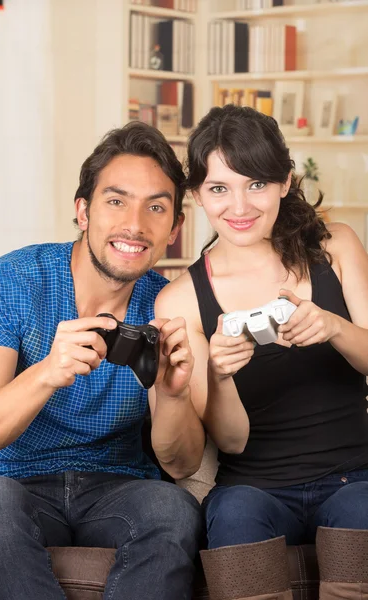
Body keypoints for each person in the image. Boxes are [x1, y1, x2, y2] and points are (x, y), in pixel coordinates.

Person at [0, 121, 205, 600]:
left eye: (156, 208)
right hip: (11, 481)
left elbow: (181, 464)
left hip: (116, 486)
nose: (135, 225)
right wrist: (46, 374)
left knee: (174, 508)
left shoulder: (170, 306)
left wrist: (174, 395)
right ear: (83, 211)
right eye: (116, 201)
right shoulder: (11, 282)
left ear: (175, 228)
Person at [155, 104, 368, 600]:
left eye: (256, 184)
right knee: (233, 516)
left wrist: (333, 326)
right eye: (219, 189)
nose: (240, 206)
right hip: (252, 489)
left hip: (354, 477)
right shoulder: (181, 299)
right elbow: (229, 443)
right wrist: (221, 375)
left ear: (285, 182)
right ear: (197, 196)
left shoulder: (335, 248)